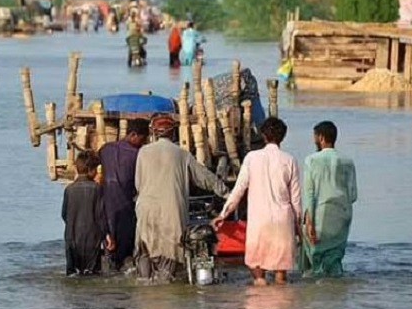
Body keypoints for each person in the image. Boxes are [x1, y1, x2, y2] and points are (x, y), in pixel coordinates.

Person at [134, 114, 229, 283]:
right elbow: (205, 178)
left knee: (145, 257)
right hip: (172, 212)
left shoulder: (143, 152)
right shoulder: (182, 154)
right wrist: (227, 193)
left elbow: (138, 184)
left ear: (154, 133)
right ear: (173, 134)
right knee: (168, 262)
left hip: (145, 210)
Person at [213, 117, 301, 285]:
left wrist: (223, 214)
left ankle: (259, 305)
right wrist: (298, 228)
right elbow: (295, 200)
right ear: (283, 137)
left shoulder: (252, 158)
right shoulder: (290, 160)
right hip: (283, 222)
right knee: (281, 279)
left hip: (259, 222)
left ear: (263, 135)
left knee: (258, 276)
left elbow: (238, 190)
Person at [300, 121, 357, 277]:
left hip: (320, 215)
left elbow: (309, 194)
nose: (314, 141)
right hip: (342, 215)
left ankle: (321, 295)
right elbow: (353, 195)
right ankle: (337, 297)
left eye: (315, 137)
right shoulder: (348, 161)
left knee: (316, 260)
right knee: (335, 259)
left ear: (321, 138)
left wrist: (309, 221)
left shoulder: (311, 160)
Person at [98, 119, 150, 271]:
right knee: (126, 253)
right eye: (142, 139)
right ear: (133, 135)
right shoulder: (138, 155)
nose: (143, 142)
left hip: (106, 209)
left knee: (110, 249)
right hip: (126, 209)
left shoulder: (106, 149)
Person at [61, 151, 114, 276]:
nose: (96, 172)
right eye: (96, 169)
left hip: (71, 238)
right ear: (91, 169)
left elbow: (64, 215)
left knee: (73, 274)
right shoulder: (96, 189)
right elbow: (100, 216)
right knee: (92, 273)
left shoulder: (69, 190)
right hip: (92, 239)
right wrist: (107, 235)